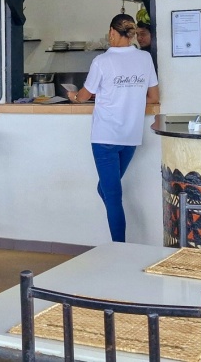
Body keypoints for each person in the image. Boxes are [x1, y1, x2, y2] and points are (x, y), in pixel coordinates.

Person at [70, 13, 159, 242]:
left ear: (111, 32)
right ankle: (121, 246)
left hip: (105, 137)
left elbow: (84, 95)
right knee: (107, 191)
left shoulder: (102, 61)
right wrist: (130, 97)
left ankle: (120, 248)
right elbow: (154, 97)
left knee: (112, 195)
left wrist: (74, 97)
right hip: (131, 136)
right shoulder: (145, 59)